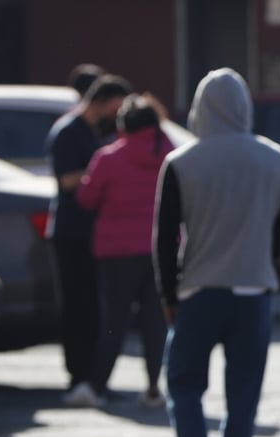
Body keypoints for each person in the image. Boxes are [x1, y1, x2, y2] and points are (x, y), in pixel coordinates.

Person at [153, 68, 280, 437]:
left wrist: (167, 295)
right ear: (245, 107)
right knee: (243, 399)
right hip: (254, 290)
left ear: (200, 108)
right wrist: (265, 247)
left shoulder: (181, 162)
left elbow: (163, 238)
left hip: (198, 289)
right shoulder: (276, 158)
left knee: (182, 384)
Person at [75, 94, 173, 408]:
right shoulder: (171, 154)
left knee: (113, 321)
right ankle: (154, 387)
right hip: (161, 249)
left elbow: (86, 199)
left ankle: (97, 386)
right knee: (155, 323)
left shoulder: (108, 157)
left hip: (116, 251)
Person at [47, 74, 133, 407]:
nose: (118, 113)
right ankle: (77, 377)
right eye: (115, 106)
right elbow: (66, 179)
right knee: (76, 307)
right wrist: (101, 174)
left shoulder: (98, 132)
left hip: (94, 231)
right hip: (70, 232)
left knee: (96, 309)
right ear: (101, 101)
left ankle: (95, 379)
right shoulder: (68, 132)